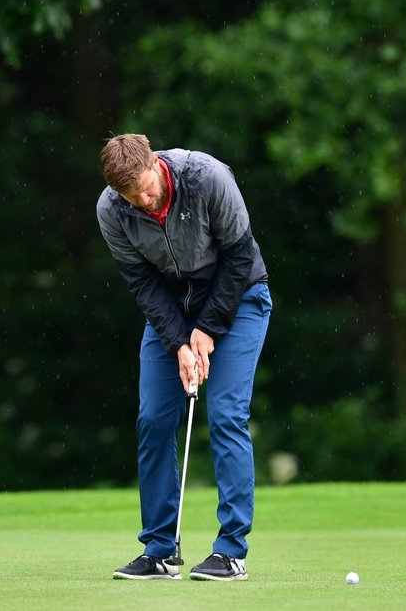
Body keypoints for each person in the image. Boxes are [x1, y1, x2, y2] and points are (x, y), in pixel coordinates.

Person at [97, 133, 272, 582]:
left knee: (227, 412)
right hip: (172, 311)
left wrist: (207, 331)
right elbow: (143, 284)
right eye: (130, 195)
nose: (143, 201)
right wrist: (178, 342)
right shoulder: (111, 210)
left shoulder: (207, 177)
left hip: (240, 298)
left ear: (155, 162)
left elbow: (238, 257)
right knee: (154, 418)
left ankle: (231, 551)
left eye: (146, 187)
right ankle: (159, 549)